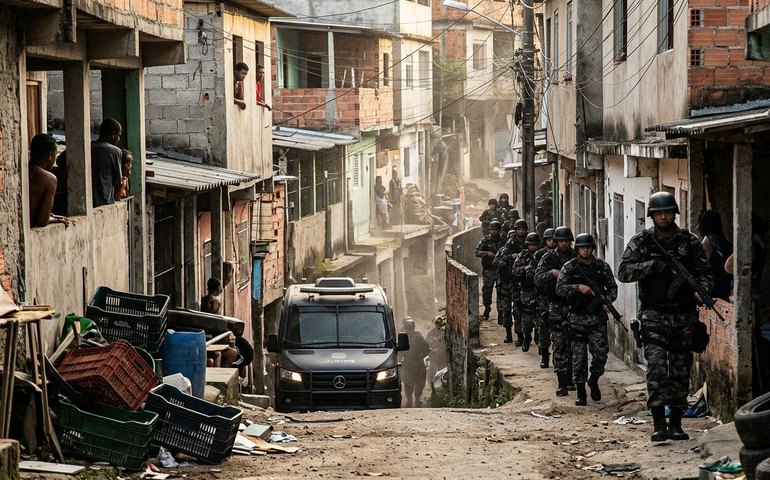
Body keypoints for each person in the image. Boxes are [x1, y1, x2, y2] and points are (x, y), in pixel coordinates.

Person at [618, 192, 714, 442]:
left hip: (683, 317)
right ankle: (658, 423)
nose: (663, 217)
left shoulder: (689, 242)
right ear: (652, 215)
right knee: (657, 369)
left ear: (674, 214)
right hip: (654, 315)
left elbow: (705, 273)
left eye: (667, 212)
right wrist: (652, 266)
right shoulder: (643, 242)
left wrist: (700, 291)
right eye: (659, 213)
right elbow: (624, 271)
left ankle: (677, 424)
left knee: (680, 372)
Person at [556, 233, 617, 406]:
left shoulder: (602, 267)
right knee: (578, 357)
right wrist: (577, 287)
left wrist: (608, 301)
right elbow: (560, 288)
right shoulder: (570, 267)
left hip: (597, 318)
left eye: (588, 247)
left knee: (600, 354)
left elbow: (612, 287)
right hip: (576, 317)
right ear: (577, 249)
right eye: (582, 247)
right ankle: (581, 391)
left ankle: (594, 379)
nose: (585, 250)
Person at [535, 226, 577, 397]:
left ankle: (571, 377)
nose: (564, 244)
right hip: (556, 305)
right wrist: (551, 274)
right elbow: (537, 278)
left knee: (574, 345)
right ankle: (561, 382)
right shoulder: (548, 258)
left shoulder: (577, 256)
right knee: (559, 343)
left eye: (567, 241)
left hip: (575, 306)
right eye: (561, 241)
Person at [28, 133, 70, 228]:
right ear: (50, 155)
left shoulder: (22, 171)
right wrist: (53, 219)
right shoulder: (49, 179)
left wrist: (50, 215)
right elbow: (42, 220)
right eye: (55, 156)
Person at [512, 233, 541, 352]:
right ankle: (527, 337)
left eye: (535, 245)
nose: (533, 247)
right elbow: (515, 271)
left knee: (540, 318)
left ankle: (540, 341)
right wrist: (525, 269)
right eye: (531, 245)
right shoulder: (523, 256)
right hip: (526, 291)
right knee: (527, 319)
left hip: (540, 292)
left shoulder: (542, 256)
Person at [493, 228, 523, 342]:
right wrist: (509, 258)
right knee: (506, 310)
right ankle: (508, 334)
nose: (512, 240)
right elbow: (495, 263)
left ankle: (520, 335)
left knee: (517, 311)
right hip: (505, 284)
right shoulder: (502, 251)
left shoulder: (522, 251)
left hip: (517, 284)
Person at [698, 210, 732, 300]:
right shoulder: (723, 238)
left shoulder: (708, 241)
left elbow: (704, 267)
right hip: (725, 284)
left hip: (715, 286)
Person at [534, 228, 557, 368]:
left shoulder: (568, 256)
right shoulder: (540, 255)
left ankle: (558, 359)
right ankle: (544, 356)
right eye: (549, 239)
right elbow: (536, 275)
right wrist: (551, 274)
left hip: (560, 297)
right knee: (543, 327)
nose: (552, 242)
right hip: (543, 296)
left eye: (554, 239)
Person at [475, 220, 506, 320]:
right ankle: (486, 310)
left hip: (500, 270)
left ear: (499, 230)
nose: (493, 232)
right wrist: (486, 253)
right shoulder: (485, 240)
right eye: (492, 230)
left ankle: (501, 314)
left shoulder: (503, 241)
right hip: (489, 270)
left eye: (495, 230)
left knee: (501, 292)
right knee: (487, 291)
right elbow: (477, 252)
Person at [91, 118, 123, 207]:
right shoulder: (115, 151)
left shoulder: (88, 146)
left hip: (88, 201)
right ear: (113, 134)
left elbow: (60, 160)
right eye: (118, 135)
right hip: (104, 201)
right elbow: (118, 181)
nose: (118, 138)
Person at [400, 317, 430, 407]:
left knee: (419, 382)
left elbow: (426, 348)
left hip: (417, 363)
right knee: (408, 383)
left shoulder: (418, 336)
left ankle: (416, 400)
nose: (409, 330)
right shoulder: (402, 336)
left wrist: (421, 356)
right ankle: (410, 400)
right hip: (408, 363)